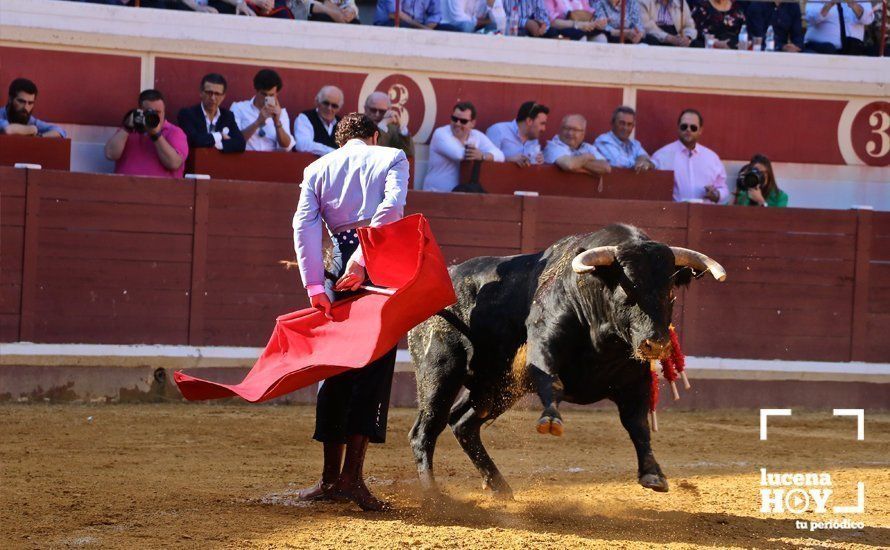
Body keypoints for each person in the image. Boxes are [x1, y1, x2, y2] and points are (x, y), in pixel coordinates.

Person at [292, 113, 409, 512]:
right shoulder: (391, 156)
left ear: (339, 141)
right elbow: (391, 209)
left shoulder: (316, 168)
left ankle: (329, 479)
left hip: (334, 268)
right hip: (378, 269)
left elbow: (304, 226)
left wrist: (313, 286)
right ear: (373, 136)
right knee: (371, 371)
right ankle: (352, 479)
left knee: (335, 369)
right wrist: (364, 258)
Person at [104, 89, 189, 178]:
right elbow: (110, 154)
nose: (155, 116)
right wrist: (126, 128)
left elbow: (174, 163)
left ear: (164, 112)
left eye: (158, 112)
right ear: (140, 111)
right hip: (126, 189)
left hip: (160, 190)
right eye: (150, 112)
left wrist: (156, 135)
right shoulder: (129, 130)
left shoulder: (175, 132)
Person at [651, 109, 729, 204]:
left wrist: (717, 195)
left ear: (700, 130)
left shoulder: (712, 158)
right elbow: (652, 189)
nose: (688, 130)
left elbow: (723, 188)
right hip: (672, 215)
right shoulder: (662, 155)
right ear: (678, 128)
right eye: (684, 126)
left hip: (704, 215)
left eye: (693, 127)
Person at [423, 101, 504, 192]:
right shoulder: (441, 133)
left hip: (462, 198)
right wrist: (476, 154)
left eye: (463, 121)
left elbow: (500, 155)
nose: (457, 123)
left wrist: (483, 156)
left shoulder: (476, 135)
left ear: (472, 123)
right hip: (435, 194)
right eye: (454, 119)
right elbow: (459, 155)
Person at [177, 73, 246, 154]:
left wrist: (217, 144)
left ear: (223, 96)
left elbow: (241, 144)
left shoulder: (227, 116)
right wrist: (220, 135)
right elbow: (194, 140)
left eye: (217, 94)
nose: (213, 98)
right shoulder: (187, 114)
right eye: (209, 93)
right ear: (201, 92)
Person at [231, 69, 295, 152]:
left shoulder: (281, 113)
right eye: (263, 94)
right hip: (244, 159)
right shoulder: (239, 108)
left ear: (277, 94)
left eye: (271, 95)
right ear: (256, 91)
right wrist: (257, 122)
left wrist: (277, 122)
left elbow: (286, 146)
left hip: (271, 161)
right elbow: (234, 141)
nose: (266, 98)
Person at [543, 114, 611, 176]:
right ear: (560, 130)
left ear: (583, 133)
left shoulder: (588, 147)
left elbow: (606, 168)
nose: (570, 133)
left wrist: (577, 164)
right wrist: (587, 157)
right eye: (566, 128)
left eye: (575, 130)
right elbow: (569, 165)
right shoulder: (552, 146)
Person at [485, 101, 548, 167]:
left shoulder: (534, 140)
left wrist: (539, 161)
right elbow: (485, 163)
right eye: (542, 124)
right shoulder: (498, 130)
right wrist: (508, 159)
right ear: (529, 121)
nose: (544, 129)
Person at [594, 106, 654, 171]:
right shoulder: (603, 141)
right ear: (612, 123)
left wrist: (643, 160)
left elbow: (646, 158)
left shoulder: (635, 144)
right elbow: (619, 163)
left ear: (633, 126)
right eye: (622, 123)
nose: (625, 128)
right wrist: (640, 163)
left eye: (629, 124)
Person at [1, 78, 66, 138]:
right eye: (21, 101)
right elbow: (8, 130)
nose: (26, 107)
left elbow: (60, 131)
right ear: (10, 99)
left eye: (30, 103)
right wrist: (32, 129)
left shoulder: (31, 121)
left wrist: (40, 137)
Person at [804, 0, 874, 55]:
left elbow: (868, 19)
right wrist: (829, 4)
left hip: (852, 49)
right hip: (822, 49)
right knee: (829, 49)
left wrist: (854, 5)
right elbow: (811, 18)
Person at [295, 86, 344, 157]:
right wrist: (333, 152)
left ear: (339, 108)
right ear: (317, 102)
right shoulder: (305, 118)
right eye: (326, 103)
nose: (329, 108)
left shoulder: (343, 124)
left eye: (334, 106)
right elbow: (302, 145)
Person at [363, 91, 414, 157]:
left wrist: (401, 127)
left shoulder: (391, 128)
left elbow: (409, 152)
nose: (377, 114)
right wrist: (382, 126)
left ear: (389, 110)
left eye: (382, 111)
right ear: (365, 108)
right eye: (373, 110)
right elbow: (372, 150)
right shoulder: (359, 125)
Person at [374, 0, 443, 28]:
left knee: (450, 29)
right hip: (387, 24)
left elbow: (435, 14)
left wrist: (429, 26)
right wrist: (422, 27)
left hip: (418, 26)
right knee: (403, 26)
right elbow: (394, 14)